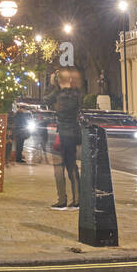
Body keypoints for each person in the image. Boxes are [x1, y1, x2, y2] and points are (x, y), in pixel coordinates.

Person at [45, 78, 82, 209]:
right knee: (71, 168)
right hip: (70, 134)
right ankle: (76, 199)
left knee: (61, 169)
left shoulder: (65, 96)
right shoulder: (75, 94)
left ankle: (64, 200)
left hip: (66, 135)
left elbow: (47, 100)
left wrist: (57, 88)